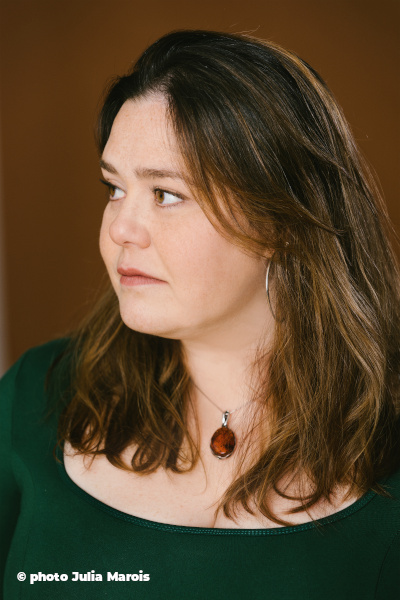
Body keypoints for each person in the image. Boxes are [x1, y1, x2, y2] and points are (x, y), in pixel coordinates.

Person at [1, 29, 399, 599]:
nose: (119, 230)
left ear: (281, 222)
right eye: (114, 187)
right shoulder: (34, 397)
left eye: (166, 194)